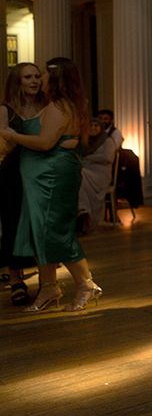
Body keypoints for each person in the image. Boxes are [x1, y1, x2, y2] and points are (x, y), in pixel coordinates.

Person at [0, 58, 103, 313]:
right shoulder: (52, 105)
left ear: (54, 79)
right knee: (40, 231)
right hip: (36, 177)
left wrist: (13, 135)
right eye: (31, 76)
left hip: (51, 177)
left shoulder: (57, 107)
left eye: (43, 74)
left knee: (55, 230)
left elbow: (46, 142)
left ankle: (86, 284)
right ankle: (48, 286)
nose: (39, 79)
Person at [0, 63, 46, 305]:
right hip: (14, 173)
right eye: (28, 77)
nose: (34, 80)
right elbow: (3, 145)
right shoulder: (6, 110)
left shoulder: (47, 106)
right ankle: (16, 279)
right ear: (17, 81)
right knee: (13, 221)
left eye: (37, 76)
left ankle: (45, 280)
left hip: (40, 171)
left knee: (39, 224)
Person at [77, 117, 121, 232]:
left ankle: (83, 209)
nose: (93, 128)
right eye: (90, 126)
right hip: (86, 170)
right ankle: (81, 211)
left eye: (96, 126)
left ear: (101, 128)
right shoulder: (85, 141)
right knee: (77, 175)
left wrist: (88, 158)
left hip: (100, 174)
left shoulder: (107, 140)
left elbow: (107, 157)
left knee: (80, 174)